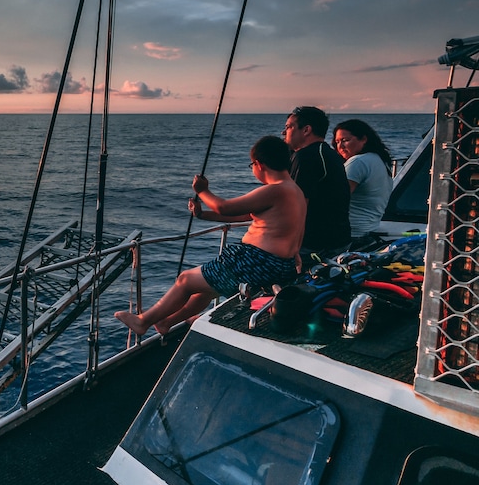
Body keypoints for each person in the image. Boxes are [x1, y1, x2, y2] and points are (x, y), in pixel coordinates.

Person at [115, 136, 305, 337]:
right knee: (206, 289)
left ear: (259, 164)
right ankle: (166, 322)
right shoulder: (294, 191)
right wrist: (203, 214)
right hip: (279, 265)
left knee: (186, 280)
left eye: (252, 165)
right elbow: (245, 214)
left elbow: (225, 207)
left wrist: (202, 191)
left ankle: (143, 322)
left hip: (257, 263)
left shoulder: (275, 190)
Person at [282, 106, 350, 259]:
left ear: (306, 130)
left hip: (314, 246)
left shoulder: (306, 157)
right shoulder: (328, 153)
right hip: (337, 240)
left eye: (288, 127)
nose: (284, 132)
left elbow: (298, 206)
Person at [332, 119, 393, 241]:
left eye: (345, 140)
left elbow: (336, 200)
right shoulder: (380, 161)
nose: (340, 146)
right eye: (337, 142)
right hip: (368, 231)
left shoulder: (358, 162)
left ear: (364, 139)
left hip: (350, 234)